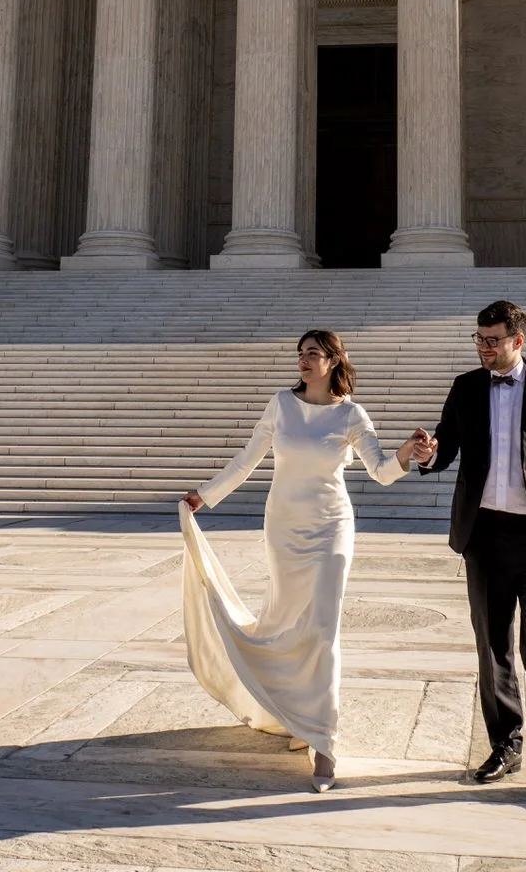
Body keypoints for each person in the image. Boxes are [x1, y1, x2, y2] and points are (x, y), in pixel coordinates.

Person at [180, 329, 431, 792]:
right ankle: (294, 714)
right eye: (300, 353)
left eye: (313, 353)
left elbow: (380, 471)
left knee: (321, 628)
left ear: (334, 360)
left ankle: (324, 742)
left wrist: (409, 453)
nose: (304, 360)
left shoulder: (351, 413)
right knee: (283, 622)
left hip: (331, 527)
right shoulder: (281, 403)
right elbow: (247, 459)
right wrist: (206, 495)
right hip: (283, 528)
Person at [415, 298, 526, 794]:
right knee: (493, 646)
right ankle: (506, 746)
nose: (484, 348)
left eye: (492, 341)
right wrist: (428, 454)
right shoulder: (466, 387)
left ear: (518, 340)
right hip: (484, 535)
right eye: (479, 339)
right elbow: (446, 448)